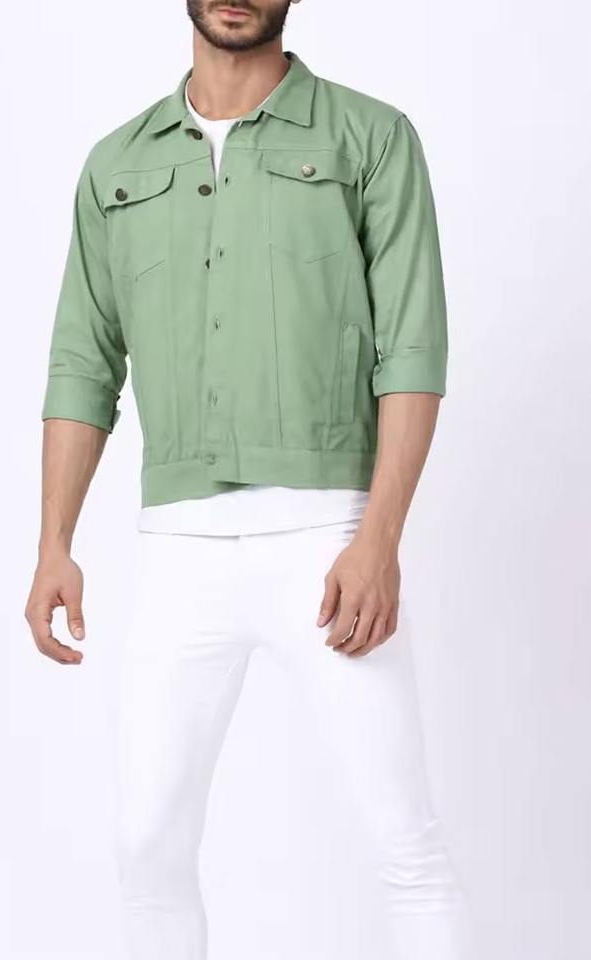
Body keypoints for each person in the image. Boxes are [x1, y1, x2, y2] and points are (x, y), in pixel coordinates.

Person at [25, 2, 477, 957]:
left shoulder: (370, 139)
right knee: (147, 850)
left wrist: (379, 539)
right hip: (179, 552)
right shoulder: (116, 165)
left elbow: (412, 350)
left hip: (329, 542)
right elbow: (83, 363)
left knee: (403, 841)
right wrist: (53, 544)